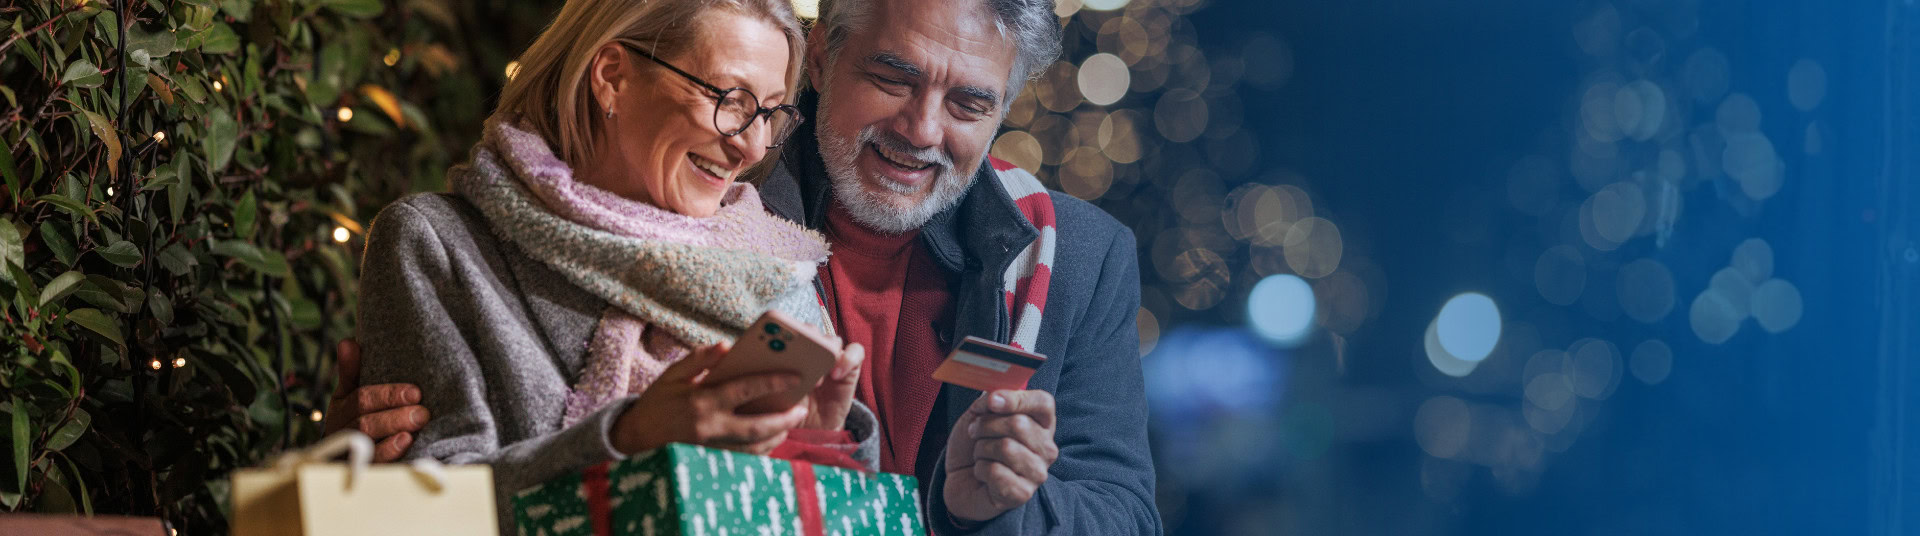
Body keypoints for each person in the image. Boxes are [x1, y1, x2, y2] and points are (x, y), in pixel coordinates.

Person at [337, 0, 1162, 533]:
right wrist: (361, 470)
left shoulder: (1074, 257)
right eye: (892, 76)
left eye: (970, 104)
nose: (921, 128)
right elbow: (415, 503)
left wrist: (985, 511)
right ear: (823, 57)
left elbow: (1123, 512)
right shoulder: (736, 192)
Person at [349, 0, 876, 532]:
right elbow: (422, 516)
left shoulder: (779, 268)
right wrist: (627, 439)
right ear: (612, 76)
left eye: (768, 113)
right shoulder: (440, 245)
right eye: (730, 99)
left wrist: (821, 449)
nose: (752, 146)